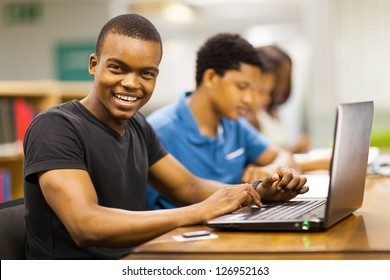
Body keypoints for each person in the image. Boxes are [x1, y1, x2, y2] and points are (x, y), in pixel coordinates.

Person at [23, 14, 308, 260]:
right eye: (117, 68)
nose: (132, 83)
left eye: (146, 73)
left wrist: (256, 190)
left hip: (135, 260)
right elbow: (86, 225)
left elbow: (188, 187)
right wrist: (200, 211)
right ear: (94, 64)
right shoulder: (54, 127)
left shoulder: (138, 126)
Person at [146, 33, 304, 210]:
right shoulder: (160, 129)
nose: (249, 100)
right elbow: (188, 190)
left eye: (253, 90)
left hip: (236, 221)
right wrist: (256, 190)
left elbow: (284, 157)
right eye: (241, 87)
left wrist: (273, 172)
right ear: (211, 78)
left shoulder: (234, 124)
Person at [247, 45, 311, 154]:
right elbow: (263, 159)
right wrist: (292, 151)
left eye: (286, 77)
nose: (283, 83)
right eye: (280, 77)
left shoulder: (273, 112)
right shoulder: (251, 119)